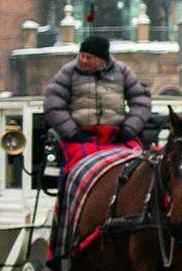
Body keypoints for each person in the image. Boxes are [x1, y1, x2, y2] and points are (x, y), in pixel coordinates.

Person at [43, 34, 151, 175]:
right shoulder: (68, 72)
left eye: (89, 57)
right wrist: (73, 133)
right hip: (81, 138)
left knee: (138, 165)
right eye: (82, 55)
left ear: (102, 59)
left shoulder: (122, 72)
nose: (83, 60)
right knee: (78, 170)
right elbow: (53, 103)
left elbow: (141, 101)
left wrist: (129, 129)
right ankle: (68, 195)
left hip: (116, 136)